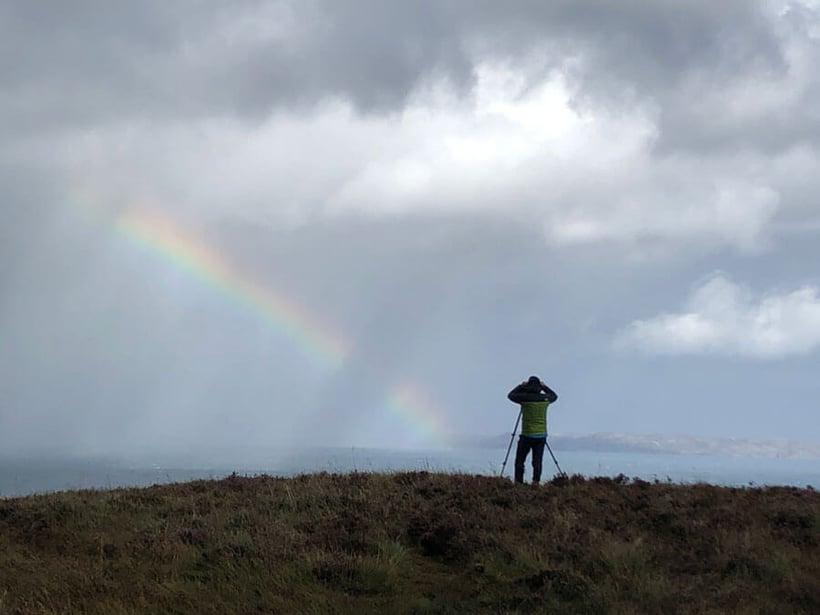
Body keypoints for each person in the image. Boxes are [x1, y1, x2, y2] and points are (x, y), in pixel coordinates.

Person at [507, 376, 558, 484]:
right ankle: (536, 482)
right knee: (537, 461)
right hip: (541, 435)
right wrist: (545, 386)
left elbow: (511, 395)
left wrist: (521, 386)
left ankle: (518, 482)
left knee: (520, 461)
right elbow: (554, 396)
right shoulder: (545, 399)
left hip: (527, 435)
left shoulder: (524, 398)